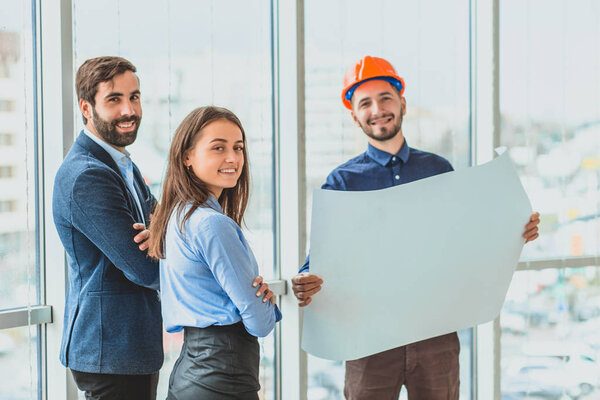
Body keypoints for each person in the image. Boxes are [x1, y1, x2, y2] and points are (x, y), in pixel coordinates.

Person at [291, 55, 541, 400]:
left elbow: (466, 241)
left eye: (385, 98)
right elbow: (324, 257)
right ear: (354, 115)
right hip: (368, 341)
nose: (377, 109)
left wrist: (516, 230)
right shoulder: (343, 181)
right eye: (365, 103)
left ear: (402, 103)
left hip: (434, 336)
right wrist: (306, 278)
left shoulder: (438, 169)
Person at [148, 106, 282, 400]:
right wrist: (265, 305)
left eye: (238, 148)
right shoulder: (212, 224)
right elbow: (260, 323)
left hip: (192, 371)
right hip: (223, 376)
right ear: (187, 157)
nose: (232, 158)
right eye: (218, 148)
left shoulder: (176, 216)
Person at [52, 56, 162, 399]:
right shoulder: (89, 175)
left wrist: (161, 235)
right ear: (87, 107)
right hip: (111, 350)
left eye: (135, 96)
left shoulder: (121, 163)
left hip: (127, 348)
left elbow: (168, 224)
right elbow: (144, 266)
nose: (129, 110)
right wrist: (161, 237)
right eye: (114, 99)